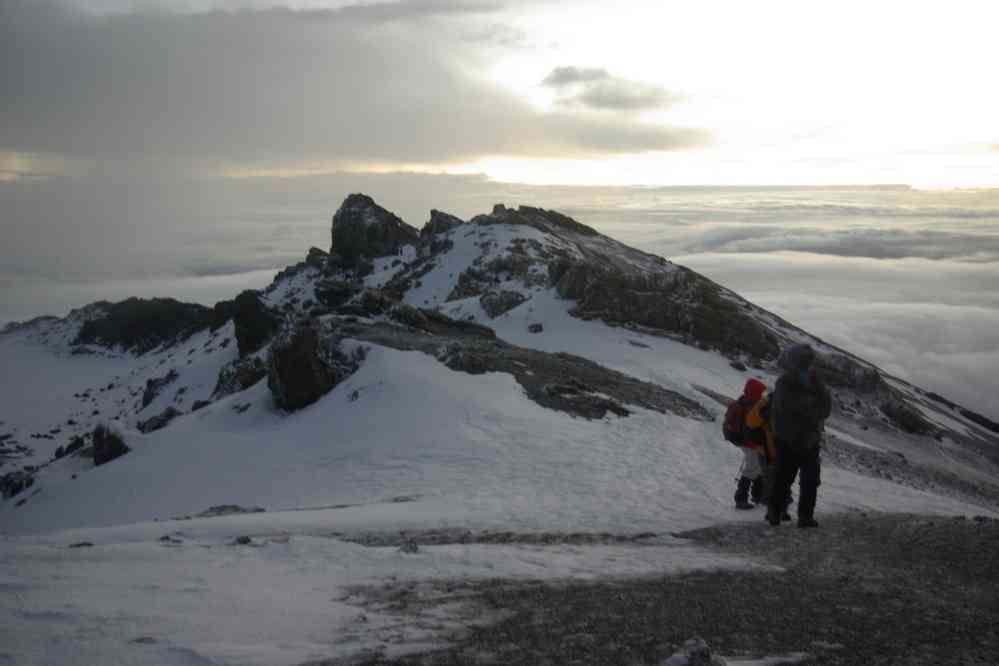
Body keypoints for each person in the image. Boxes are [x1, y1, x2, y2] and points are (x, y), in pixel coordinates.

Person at [768, 343, 832, 528]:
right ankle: (775, 512)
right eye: (804, 360)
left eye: (809, 360)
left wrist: (815, 402)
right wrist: (813, 409)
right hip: (789, 439)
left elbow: (825, 409)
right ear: (795, 361)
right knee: (783, 479)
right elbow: (786, 408)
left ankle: (805, 516)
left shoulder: (816, 382)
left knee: (809, 481)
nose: (807, 364)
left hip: (809, 440)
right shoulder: (784, 382)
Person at [726, 378, 767, 510]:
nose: (762, 395)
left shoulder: (744, 402)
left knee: (757, 466)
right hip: (747, 442)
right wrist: (756, 445)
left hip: (743, 440)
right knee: (752, 467)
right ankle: (741, 498)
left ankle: (758, 495)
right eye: (760, 392)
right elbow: (748, 431)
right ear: (754, 392)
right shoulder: (750, 407)